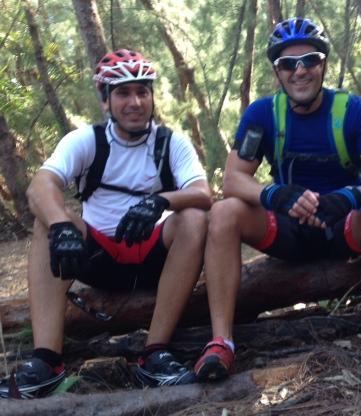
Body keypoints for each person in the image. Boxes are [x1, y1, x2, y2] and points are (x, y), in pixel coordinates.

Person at [195, 18, 361, 415]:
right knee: (224, 213)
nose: (300, 71)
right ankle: (221, 342)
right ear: (276, 71)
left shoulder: (351, 110)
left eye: (309, 60)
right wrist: (273, 193)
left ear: (323, 64)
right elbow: (232, 180)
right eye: (287, 64)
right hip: (288, 230)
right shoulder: (262, 114)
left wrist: (349, 197)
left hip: (341, 226)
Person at [0, 49, 212, 399]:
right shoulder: (86, 140)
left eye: (142, 92)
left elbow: (203, 193)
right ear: (105, 100)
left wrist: (161, 200)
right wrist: (60, 225)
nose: (135, 102)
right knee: (48, 224)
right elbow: (41, 185)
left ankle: (155, 353)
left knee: (193, 218)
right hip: (100, 257)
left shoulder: (170, 142)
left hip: (152, 257)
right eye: (123, 93)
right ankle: (46, 362)